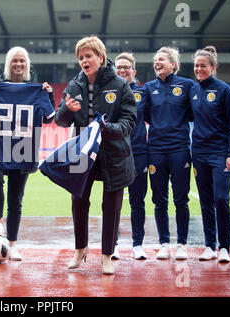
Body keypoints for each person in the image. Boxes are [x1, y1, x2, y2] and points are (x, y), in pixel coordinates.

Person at [55, 36, 137, 274]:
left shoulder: (120, 84)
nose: (83, 61)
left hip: (114, 153)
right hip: (83, 152)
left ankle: (107, 255)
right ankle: (80, 249)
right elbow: (60, 121)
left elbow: (129, 120)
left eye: (88, 56)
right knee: (78, 201)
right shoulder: (74, 85)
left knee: (111, 205)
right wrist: (65, 110)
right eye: (80, 57)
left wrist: (106, 129)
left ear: (101, 58)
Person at [0, 46, 55, 261]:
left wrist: (49, 94)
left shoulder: (36, 89)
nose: (18, 64)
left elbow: (49, 119)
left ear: (27, 65)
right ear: (8, 64)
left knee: (16, 200)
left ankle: (12, 244)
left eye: (22, 61)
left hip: (23, 147)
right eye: (14, 61)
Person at [190, 46, 230, 263]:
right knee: (205, 201)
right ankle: (210, 245)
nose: (199, 69)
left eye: (203, 65)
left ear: (212, 67)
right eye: (196, 66)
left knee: (221, 199)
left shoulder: (224, 90)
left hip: (220, 153)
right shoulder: (193, 91)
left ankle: (225, 248)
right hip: (199, 153)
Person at [143, 47, 194, 260]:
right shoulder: (148, 88)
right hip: (155, 150)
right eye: (155, 59)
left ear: (173, 64)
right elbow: (145, 115)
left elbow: (193, 113)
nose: (157, 62)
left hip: (180, 149)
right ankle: (164, 243)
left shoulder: (187, 85)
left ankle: (181, 244)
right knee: (159, 199)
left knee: (181, 199)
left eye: (161, 59)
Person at [115, 52, 148, 260]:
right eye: (119, 67)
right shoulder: (109, 92)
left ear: (133, 71)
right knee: (114, 201)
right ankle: (113, 244)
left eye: (126, 67)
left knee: (138, 202)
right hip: (116, 153)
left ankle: (138, 244)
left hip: (139, 152)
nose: (122, 70)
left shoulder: (144, 93)